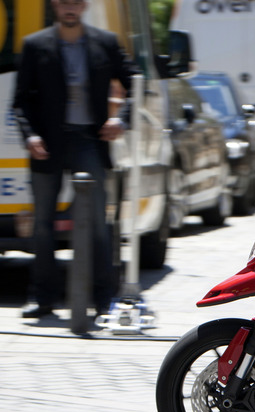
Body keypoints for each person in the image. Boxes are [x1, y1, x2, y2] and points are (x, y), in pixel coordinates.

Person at [13, 0, 138, 319]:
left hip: (89, 141)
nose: (69, 8)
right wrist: (30, 136)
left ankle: (104, 297)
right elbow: (20, 101)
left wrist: (121, 119)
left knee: (98, 221)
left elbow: (134, 83)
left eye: (75, 2)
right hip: (47, 143)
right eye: (63, 2)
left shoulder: (105, 42)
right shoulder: (35, 44)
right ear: (55, 6)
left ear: (83, 6)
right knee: (43, 223)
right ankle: (42, 298)